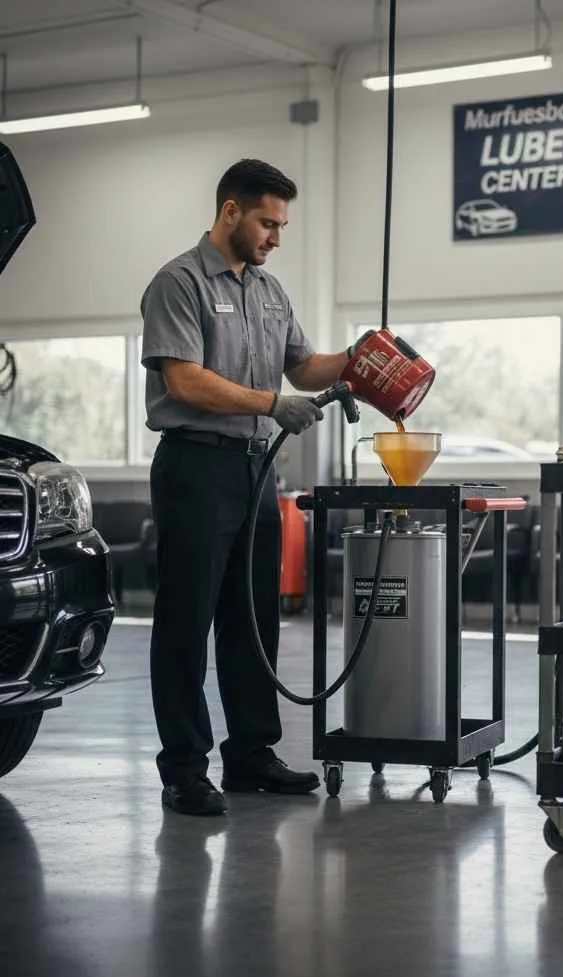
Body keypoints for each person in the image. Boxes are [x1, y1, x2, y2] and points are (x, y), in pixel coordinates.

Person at [141, 158, 351, 816]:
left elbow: (305, 365)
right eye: (268, 222)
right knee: (187, 620)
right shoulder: (179, 283)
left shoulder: (268, 291)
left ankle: (252, 754)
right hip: (196, 467)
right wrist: (269, 402)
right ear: (230, 211)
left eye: (282, 225)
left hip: (257, 469)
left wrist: (360, 358)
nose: (275, 237)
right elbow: (185, 381)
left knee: (254, 619)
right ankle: (183, 770)